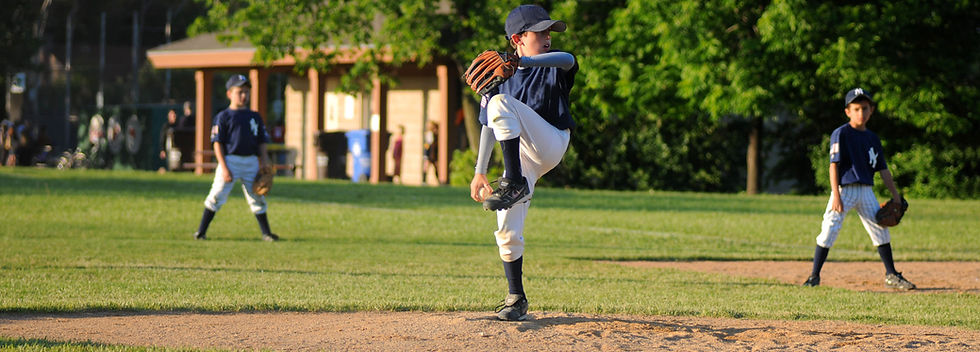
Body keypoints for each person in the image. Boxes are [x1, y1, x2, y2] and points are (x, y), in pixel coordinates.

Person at [468, 4, 578, 321]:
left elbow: (568, 59)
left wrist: (523, 62)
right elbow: (490, 123)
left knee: (501, 102)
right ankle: (516, 298)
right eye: (540, 32)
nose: (548, 37)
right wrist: (479, 172)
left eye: (549, 32)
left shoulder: (553, 64)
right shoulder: (499, 81)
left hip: (551, 141)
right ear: (518, 37)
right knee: (506, 228)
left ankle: (514, 182)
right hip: (522, 156)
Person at [803, 88, 915, 290]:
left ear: (871, 110)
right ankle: (814, 277)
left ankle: (891, 274)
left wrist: (896, 196)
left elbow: (883, 169)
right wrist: (836, 194)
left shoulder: (873, 138)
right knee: (829, 230)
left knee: (880, 230)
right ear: (848, 111)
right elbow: (833, 165)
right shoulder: (841, 134)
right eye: (856, 109)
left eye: (864, 108)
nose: (860, 113)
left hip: (866, 191)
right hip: (844, 190)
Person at [193, 74, 279, 242]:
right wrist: (224, 167)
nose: (244, 96)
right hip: (230, 160)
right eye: (240, 92)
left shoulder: (254, 116)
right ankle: (201, 232)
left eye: (246, 92)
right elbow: (217, 143)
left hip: (251, 161)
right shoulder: (223, 116)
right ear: (229, 94)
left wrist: (264, 161)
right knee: (217, 194)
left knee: (257, 196)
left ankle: (266, 233)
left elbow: (261, 141)